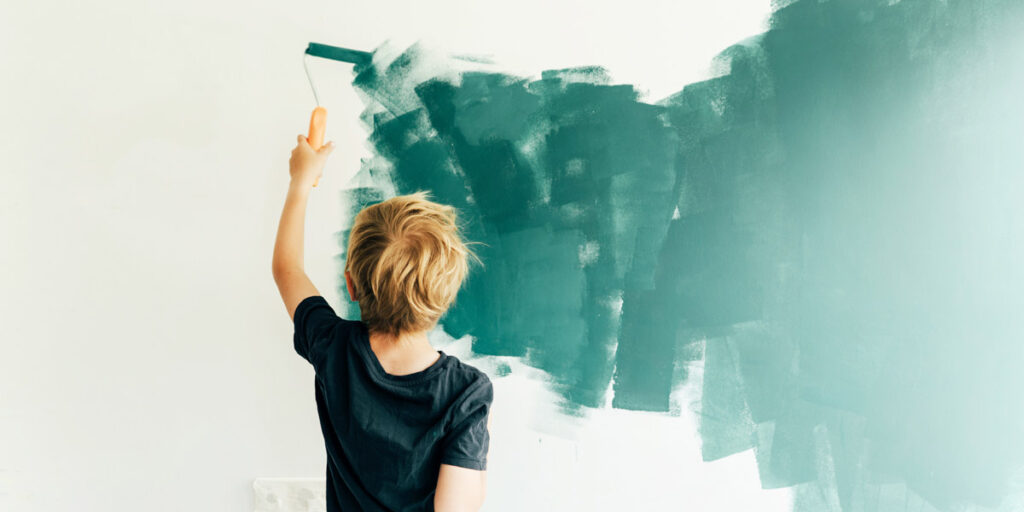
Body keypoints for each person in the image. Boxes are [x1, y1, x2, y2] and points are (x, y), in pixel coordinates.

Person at [272, 134, 492, 511]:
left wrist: (300, 182)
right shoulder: (465, 394)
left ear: (351, 285)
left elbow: (287, 269)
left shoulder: (332, 346)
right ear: (445, 296)